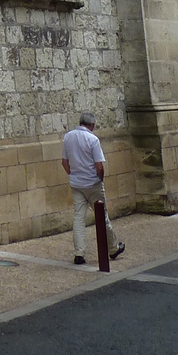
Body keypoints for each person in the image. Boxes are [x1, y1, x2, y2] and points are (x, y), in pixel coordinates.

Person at [62, 112, 125, 265]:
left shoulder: (68, 137)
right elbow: (99, 166)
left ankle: (79, 253)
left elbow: (64, 162)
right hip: (93, 183)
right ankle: (113, 248)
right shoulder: (93, 139)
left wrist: (74, 175)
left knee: (78, 218)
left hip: (77, 184)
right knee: (102, 216)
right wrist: (99, 179)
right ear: (92, 125)